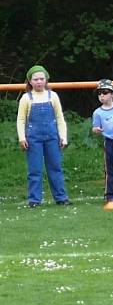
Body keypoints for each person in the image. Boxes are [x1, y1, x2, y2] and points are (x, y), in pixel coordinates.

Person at [15, 65, 71, 207]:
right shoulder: (26, 98)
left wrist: (63, 137)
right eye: (36, 79)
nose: (39, 82)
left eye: (42, 79)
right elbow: (21, 120)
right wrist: (22, 137)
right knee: (35, 170)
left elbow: (59, 118)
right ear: (30, 81)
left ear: (46, 80)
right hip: (33, 139)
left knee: (55, 168)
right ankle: (34, 200)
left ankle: (61, 197)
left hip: (52, 138)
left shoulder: (53, 96)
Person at [91, 79, 113, 203]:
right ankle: (111, 195)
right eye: (100, 93)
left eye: (105, 92)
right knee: (111, 170)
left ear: (112, 94)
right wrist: (96, 130)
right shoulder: (98, 112)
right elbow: (95, 127)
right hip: (110, 142)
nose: (102, 96)